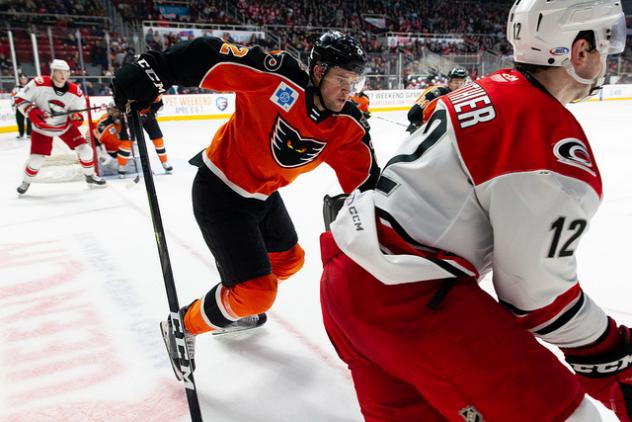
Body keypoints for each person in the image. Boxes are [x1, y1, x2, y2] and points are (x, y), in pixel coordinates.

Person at [320, 0, 631, 421]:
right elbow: (535, 297)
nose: (610, 53)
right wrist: (611, 349)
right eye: (605, 41)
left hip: (345, 283)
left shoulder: (482, 89)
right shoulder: (546, 136)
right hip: (408, 300)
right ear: (578, 50)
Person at [112, 31, 380, 380]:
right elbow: (213, 56)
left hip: (264, 196)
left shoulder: (346, 126)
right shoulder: (278, 79)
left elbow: (367, 186)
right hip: (220, 190)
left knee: (290, 261)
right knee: (257, 294)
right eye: (341, 79)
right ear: (318, 72)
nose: (348, 90)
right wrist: (155, 70)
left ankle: (232, 299)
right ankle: (184, 324)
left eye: (354, 81)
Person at [14, 59, 106, 194]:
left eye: (66, 72)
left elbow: (78, 113)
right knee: (36, 160)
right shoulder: (39, 83)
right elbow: (20, 99)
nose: (63, 75)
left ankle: (89, 175)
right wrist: (32, 111)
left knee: (86, 150)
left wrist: (76, 118)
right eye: (59, 72)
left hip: (65, 126)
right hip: (42, 128)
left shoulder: (75, 91)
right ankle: (26, 181)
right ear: (53, 72)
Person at [405, 66, 468, 133]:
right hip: (429, 132)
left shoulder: (465, 96)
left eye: (461, 83)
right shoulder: (437, 92)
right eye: (456, 82)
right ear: (449, 82)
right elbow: (414, 111)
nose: (459, 86)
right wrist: (416, 122)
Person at [126, 96, 173, 176]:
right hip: (132, 117)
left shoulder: (150, 86)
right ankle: (133, 166)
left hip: (148, 115)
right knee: (131, 140)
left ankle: (164, 162)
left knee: (157, 138)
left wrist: (151, 112)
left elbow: (158, 102)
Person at [11, 74, 32, 139]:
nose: (23, 80)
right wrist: (13, 105)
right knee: (19, 121)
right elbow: (13, 97)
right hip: (19, 107)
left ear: (27, 79)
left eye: (25, 79)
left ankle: (29, 134)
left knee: (29, 121)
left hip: (28, 107)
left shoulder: (31, 87)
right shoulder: (16, 88)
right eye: (22, 79)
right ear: (20, 80)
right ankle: (21, 134)